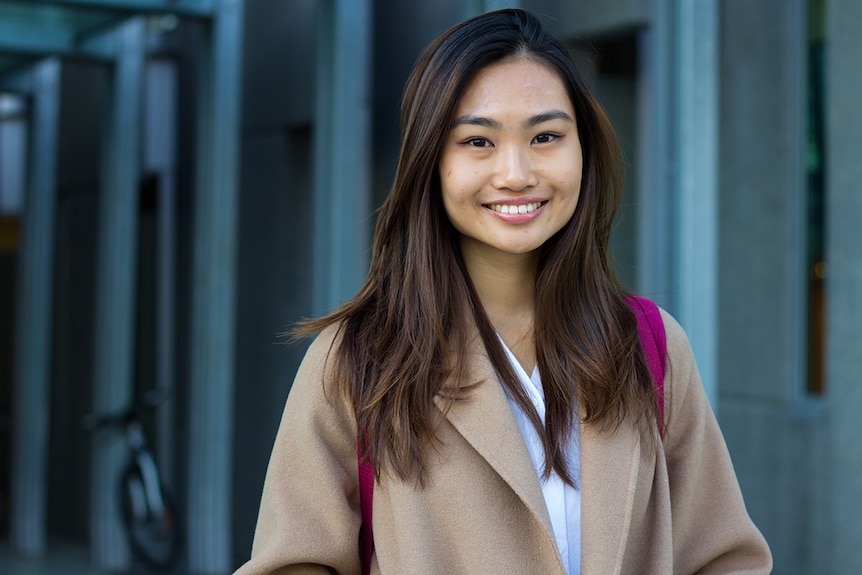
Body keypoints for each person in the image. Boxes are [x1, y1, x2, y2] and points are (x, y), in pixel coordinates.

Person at [234, 8, 772, 575]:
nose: (516, 173)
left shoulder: (649, 345)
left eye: (545, 136)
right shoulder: (359, 360)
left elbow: (722, 558)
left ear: (582, 152)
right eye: (478, 141)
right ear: (430, 161)